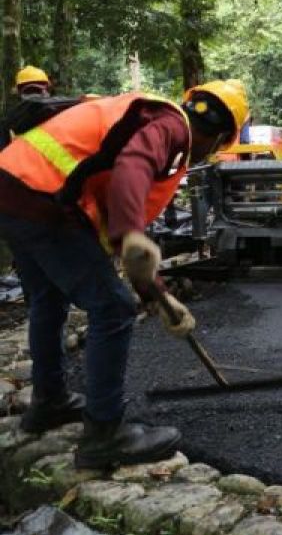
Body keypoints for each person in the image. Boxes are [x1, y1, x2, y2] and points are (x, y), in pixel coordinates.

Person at [0, 80, 249, 469]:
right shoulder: (171, 127)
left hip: (13, 188)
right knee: (113, 308)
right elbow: (132, 169)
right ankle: (104, 433)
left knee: (48, 297)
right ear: (218, 139)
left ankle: (49, 401)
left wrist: (158, 296)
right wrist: (132, 236)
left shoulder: (143, 113)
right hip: (42, 198)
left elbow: (118, 226)